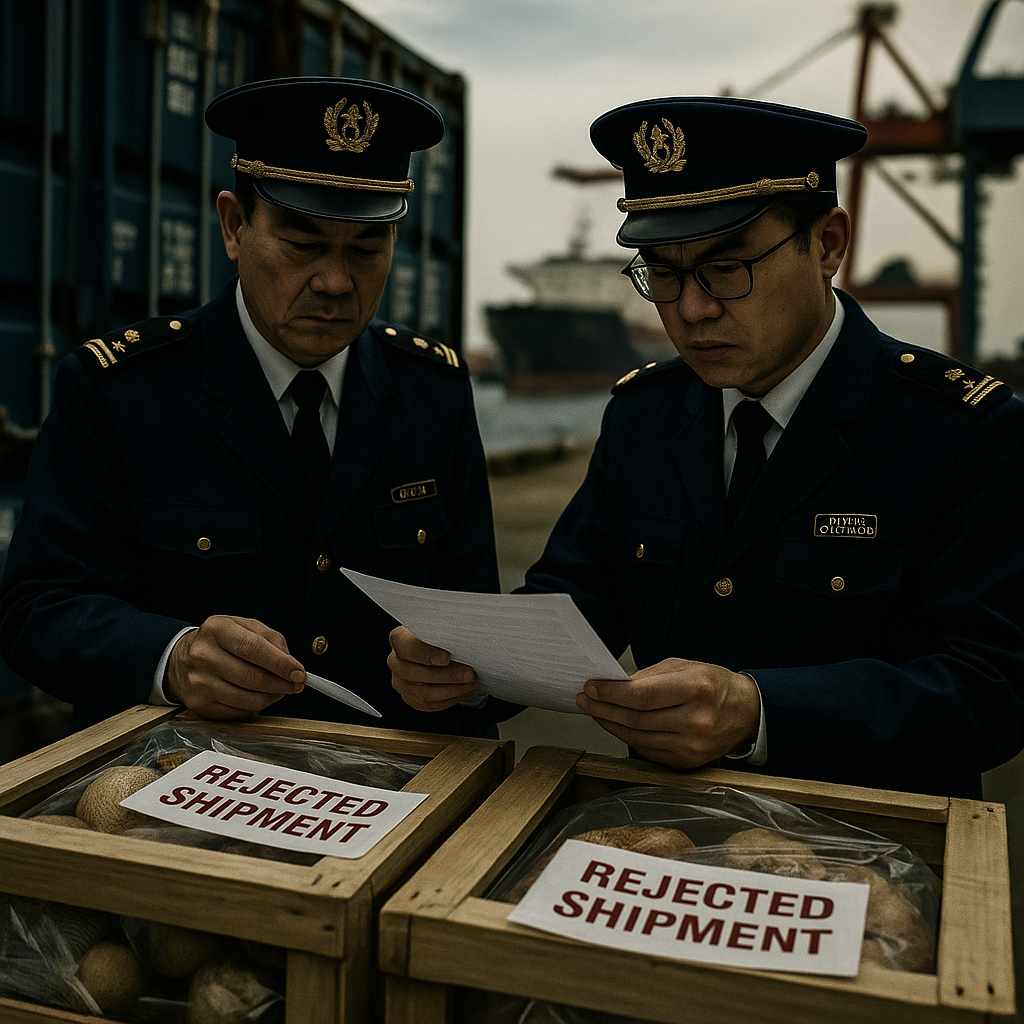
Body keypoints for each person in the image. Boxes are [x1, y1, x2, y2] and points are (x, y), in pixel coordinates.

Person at [389, 95, 1024, 797]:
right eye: (662, 273)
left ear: (829, 244)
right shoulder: (644, 419)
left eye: (728, 268)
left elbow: (994, 684)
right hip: (671, 835)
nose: (691, 310)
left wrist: (759, 712)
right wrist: (463, 668)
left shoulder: (962, 432)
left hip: (878, 850)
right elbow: (573, 601)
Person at [0, 77, 510, 737]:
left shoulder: (431, 394)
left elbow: (480, 627)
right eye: (302, 246)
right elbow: (35, 609)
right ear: (234, 227)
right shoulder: (120, 392)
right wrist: (172, 656)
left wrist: (465, 680)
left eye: (366, 249)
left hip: (401, 797)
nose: (334, 282)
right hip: (183, 783)